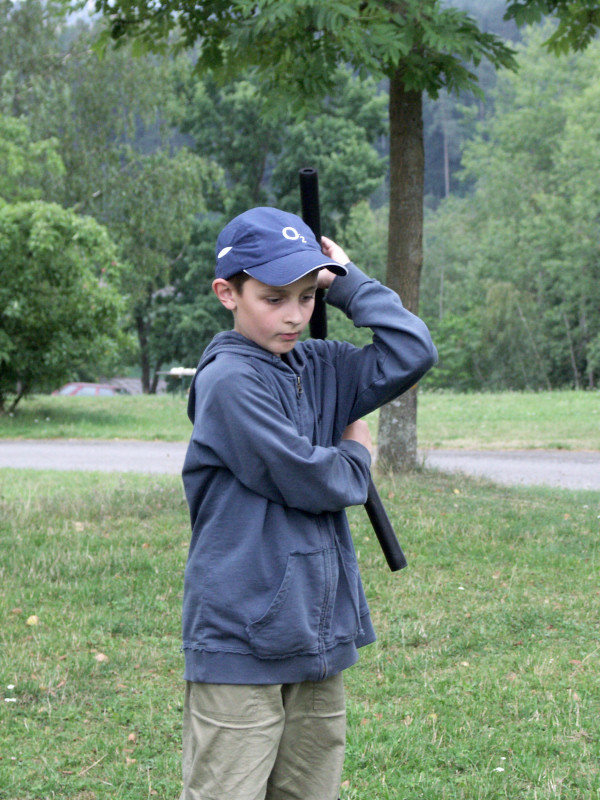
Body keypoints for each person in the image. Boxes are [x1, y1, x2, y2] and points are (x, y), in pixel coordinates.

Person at [180, 206, 437, 800]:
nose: (295, 315)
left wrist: (348, 283)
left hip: (316, 633)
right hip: (241, 640)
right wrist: (357, 455)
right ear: (227, 293)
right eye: (273, 299)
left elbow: (412, 350)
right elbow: (307, 477)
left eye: (307, 296)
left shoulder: (320, 365)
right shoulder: (228, 381)